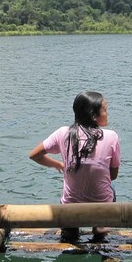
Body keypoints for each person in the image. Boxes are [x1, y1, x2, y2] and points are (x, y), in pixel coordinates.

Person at [29, 91, 121, 239]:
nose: (107, 113)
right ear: (94, 116)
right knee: (111, 186)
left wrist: (58, 164)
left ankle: (70, 230)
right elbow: (113, 175)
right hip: (101, 205)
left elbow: (34, 155)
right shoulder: (111, 136)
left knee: (70, 194)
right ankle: (100, 229)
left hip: (71, 207)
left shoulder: (62, 133)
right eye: (105, 109)